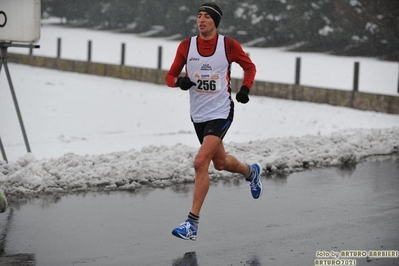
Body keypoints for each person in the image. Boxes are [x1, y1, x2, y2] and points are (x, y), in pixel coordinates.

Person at [165, 3, 262, 241]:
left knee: (200, 162)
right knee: (220, 163)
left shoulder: (227, 45)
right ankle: (251, 173)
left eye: (207, 16)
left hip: (221, 111)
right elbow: (169, 76)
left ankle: (192, 224)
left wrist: (245, 89)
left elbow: (249, 67)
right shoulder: (186, 46)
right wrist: (179, 82)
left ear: (215, 22)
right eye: (199, 16)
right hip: (198, 114)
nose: (201, 20)